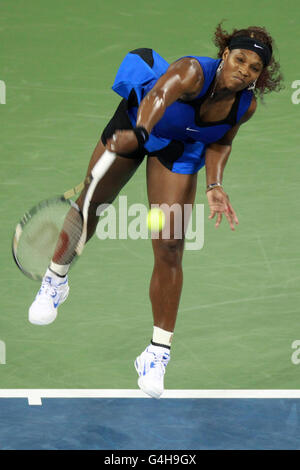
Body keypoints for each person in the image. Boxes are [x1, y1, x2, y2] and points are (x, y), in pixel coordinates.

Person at [28, 23, 283, 398]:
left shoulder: (246, 104)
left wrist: (214, 184)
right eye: (240, 58)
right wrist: (140, 135)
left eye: (255, 67)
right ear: (225, 54)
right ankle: (56, 279)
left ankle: (156, 352)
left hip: (179, 148)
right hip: (139, 125)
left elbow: (222, 141)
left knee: (170, 246)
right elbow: (159, 99)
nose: (245, 69)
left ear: (260, 76)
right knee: (92, 204)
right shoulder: (192, 71)